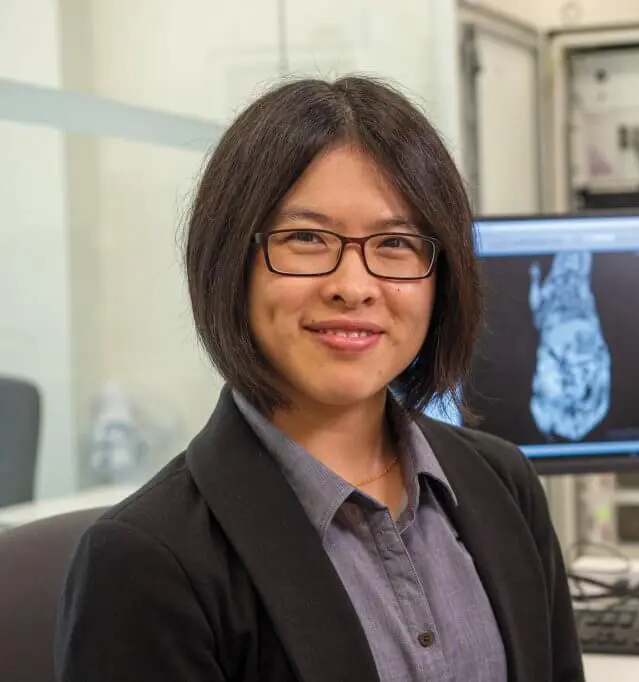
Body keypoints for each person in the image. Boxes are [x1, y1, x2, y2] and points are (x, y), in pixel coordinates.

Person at [54, 76, 585, 682]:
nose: (354, 285)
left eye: (394, 243)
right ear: (232, 262)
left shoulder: (502, 483)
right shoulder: (145, 562)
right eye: (306, 237)